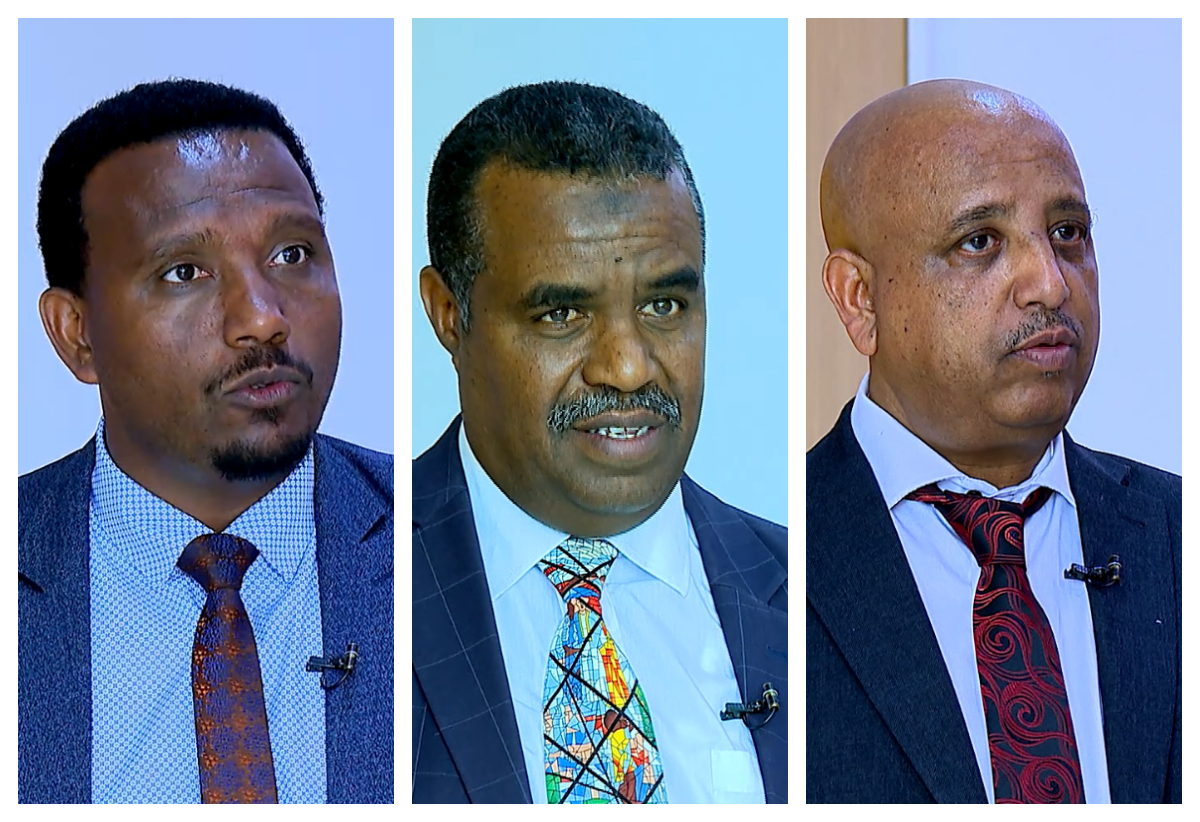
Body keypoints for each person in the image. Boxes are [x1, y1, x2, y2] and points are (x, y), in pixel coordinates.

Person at [17, 79, 394, 804]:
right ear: (78, 334)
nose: (262, 318)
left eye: (292, 254)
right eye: (185, 272)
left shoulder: (436, 535)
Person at [412, 81, 787, 804]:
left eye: (663, 305)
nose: (628, 366)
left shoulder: (806, 597)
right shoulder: (362, 584)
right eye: (561, 314)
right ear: (449, 315)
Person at [807, 78, 1181, 804]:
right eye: (980, 242)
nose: (1050, 284)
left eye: (1068, 234)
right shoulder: (773, 564)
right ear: (860, 299)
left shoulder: (1177, 534)